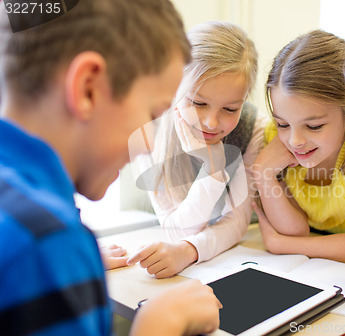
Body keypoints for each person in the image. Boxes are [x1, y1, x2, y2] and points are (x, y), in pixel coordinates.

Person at [0, 1, 221, 335]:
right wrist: (160, 324)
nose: (148, 143)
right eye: (151, 115)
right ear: (88, 88)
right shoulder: (47, 243)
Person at [126, 21, 266, 278]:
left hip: (242, 254)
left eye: (230, 109)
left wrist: (189, 251)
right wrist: (212, 172)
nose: (212, 122)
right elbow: (176, 230)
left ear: (244, 100)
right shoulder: (149, 129)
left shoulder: (253, 127)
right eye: (198, 102)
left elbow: (237, 221)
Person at [251, 30, 345, 263]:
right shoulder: (276, 139)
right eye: (283, 123)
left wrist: (281, 244)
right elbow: (295, 230)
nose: (294, 140)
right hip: (316, 260)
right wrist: (263, 174)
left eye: (314, 126)